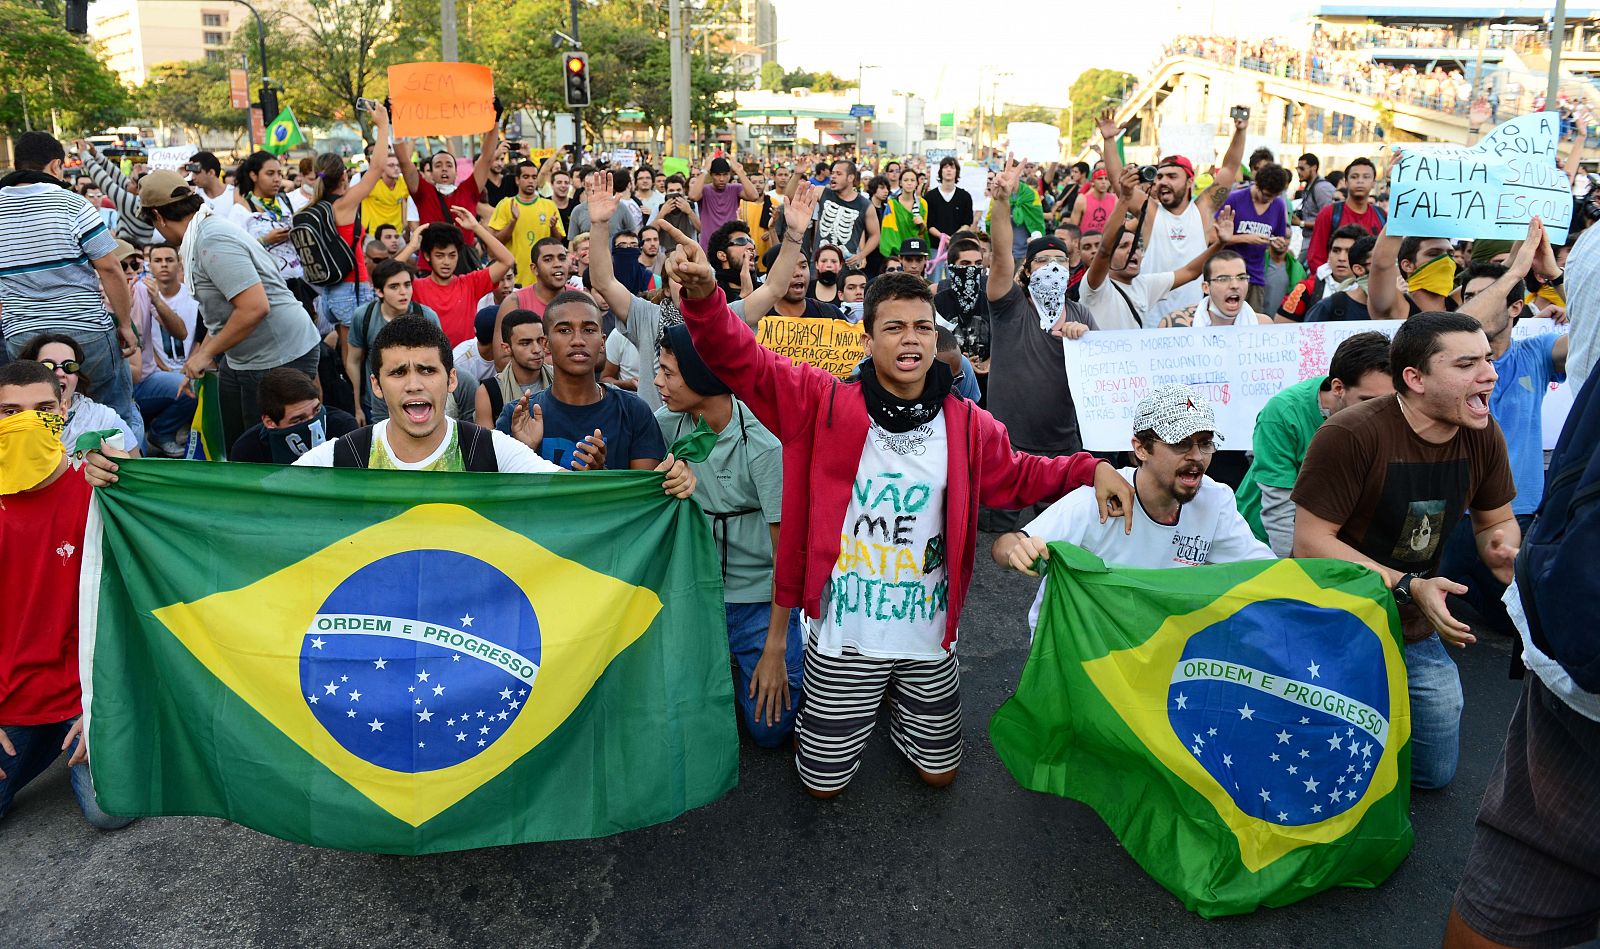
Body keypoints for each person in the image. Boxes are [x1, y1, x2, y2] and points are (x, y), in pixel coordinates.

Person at [668, 202, 1135, 798]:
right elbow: (742, 361)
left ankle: (903, 718)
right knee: (821, 787)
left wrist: (1089, 468)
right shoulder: (822, 404)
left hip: (928, 638)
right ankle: (860, 709)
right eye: (893, 328)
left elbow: (1017, 475)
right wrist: (707, 299)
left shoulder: (967, 423)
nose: (910, 340)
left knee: (939, 776)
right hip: (842, 637)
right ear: (867, 339)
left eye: (920, 327)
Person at [1292, 312, 1520, 790]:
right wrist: (1409, 585)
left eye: (1488, 359)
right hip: (1333, 624)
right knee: (1319, 767)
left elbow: (1495, 519)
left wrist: (1505, 551)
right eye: (1467, 364)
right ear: (1414, 379)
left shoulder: (1483, 433)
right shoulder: (1351, 434)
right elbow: (1310, 544)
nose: (1489, 374)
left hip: (1415, 627)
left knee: (1434, 775)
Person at [994, 383, 1274, 627]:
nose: (1197, 456)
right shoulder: (1097, 500)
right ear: (1140, 448)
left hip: (1153, 649)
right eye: (1181, 443)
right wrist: (1018, 549)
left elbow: (1265, 575)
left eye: (1205, 443)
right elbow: (1004, 546)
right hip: (1082, 650)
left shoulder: (1215, 500)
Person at [652, 323, 802, 747]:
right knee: (680, 724)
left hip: (759, 600)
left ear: (704, 375)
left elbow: (786, 558)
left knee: (769, 732)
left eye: (668, 372)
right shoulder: (667, 425)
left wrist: (774, 649)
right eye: (658, 370)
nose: (657, 382)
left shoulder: (764, 442)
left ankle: (795, 641)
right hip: (699, 595)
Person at [0, 361, 135, 832]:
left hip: (87, 694)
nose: (26, 421)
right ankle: (41, 747)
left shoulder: (99, 488)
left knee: (110, 811)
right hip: (12, 700)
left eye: (42, 409)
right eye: (8, 411)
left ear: (63, 410)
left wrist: (107, 703)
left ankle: (95, 740)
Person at [137, 170, 323, 449]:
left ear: (158, 216)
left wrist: (206, 354)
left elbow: (253, 307)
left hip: (279, 353)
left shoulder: (211, 239)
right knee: (238, 444)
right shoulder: (200, 235)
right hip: (245, 356)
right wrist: (200, 358)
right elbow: (225, 313)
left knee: (262, 452)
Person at [1439, 251, 1570, 630]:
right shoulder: (1442, 360)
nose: (1475, 308)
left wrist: (1555, 277)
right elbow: (1459, 327)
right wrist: (1513, 270)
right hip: (1450, 518)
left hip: (1520, 515)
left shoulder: (1537, 353)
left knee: (1519, 627)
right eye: (1469, 298)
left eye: (1491, 296)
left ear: (1516, 307)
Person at [1, 132, 141, 448]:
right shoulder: (71, 203)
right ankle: (117, 488)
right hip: (87, 334)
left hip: (23, 338)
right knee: (114, 419)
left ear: (16, 164)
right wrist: (124, 324)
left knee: (35, 422)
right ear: (55, 166)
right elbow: (109, 267)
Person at [984, 159, 1100, 533]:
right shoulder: (1009, 305)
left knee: (1058, 538)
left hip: (1062, 446)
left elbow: (1102, 375)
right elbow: (1001, 255)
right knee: (997, 541)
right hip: (1009, 446)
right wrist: (1002, 202)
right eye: (1043, 261)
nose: (1053, 267)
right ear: (1027, 271)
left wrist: (1084, 342)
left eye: (1060, 260)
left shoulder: (1080, 312)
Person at [1235, 332, 1395, 555]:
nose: (1380, 413)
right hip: (1266, 544)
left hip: (1331, 541)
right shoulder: (1283, 412)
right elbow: (1279, 507)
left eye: (1389, 402)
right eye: (1368, 402)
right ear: (1338, 388)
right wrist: (1293, 570)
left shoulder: (1391, 413)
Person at [496, 291, 666, 471]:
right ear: (546, 344)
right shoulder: (519, 417)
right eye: (564, 330)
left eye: (588, 330)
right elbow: (498, 492)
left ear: (602, 342)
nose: (578, 340)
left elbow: (645, 493)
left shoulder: (633, 412)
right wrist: (525, 452)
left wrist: (600, 478)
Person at [1078, 169, 1249, 331]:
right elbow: (1104, 249)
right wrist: (1125, 199)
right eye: (1123, 246)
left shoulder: (1144, 286)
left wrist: (1220, 243)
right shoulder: (1096, 286)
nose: (1133, 252)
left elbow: (1190, 271)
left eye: (1136, 247)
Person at [1140, 112, 1247, 321]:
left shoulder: (1202, 210)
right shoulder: (1150, 211)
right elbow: (1118, 185)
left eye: (1172, 176)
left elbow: (1229, 168)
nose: (1163, 182)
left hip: (1192, 318)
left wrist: (1240, 130)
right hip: (1150, 318)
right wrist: (1109, 140)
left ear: (1190, 181)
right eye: (1160, 176)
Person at [305, 104, 394, 335]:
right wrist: (382, 125)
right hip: (352, 287)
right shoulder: (343, 205)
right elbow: (377, 168)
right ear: (344, 175)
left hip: (330, 292)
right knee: (361, 353)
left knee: (348, 351)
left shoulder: (315, 206)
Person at [119, 241, 196, 457]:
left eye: (134, 265)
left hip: (146, 380)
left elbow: (181, 333)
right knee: (137, 452)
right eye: (122, 266)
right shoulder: (97, 297)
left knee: (188, 390)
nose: (129, 272)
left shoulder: (144, 291)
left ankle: (161, 433)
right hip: (114, 389)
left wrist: (158, 301)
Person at [345, 258, 441, 427]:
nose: (403, 292)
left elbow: (440, 362)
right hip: (375, 404)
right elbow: (353, 361)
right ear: (379, 291)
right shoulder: (363, 316)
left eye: (407, 284)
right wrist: (357, 407)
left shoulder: (427, 317)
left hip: (418, 401)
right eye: (394, 287)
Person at [410, 208, 516, 347]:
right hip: (430, 362)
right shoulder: (415, 287)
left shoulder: (470, 283)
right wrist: (412, 246)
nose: (446, 262)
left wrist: (476, 227)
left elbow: (507, 260)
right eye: (439, 256)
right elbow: (385, 277)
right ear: (427, 256)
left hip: (465, 362)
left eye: (452, 255)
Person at [17, 333, 139, 453]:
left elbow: (137, 468)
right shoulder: (10, 418)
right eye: (48, 365)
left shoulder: (104, 418)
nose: (60, 373)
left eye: (69, 366)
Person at [396, 117, 501, 247]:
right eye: (438, 165)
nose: (444, 168)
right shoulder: (423, 193)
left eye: (449, 165)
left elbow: (486, 158)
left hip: (464, 264)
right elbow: (404, 161)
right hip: (430, 265)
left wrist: (495, 121)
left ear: (456, 172)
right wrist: (392, 123)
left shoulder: (468, 191)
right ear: (431, 173)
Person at [228, 366, 360, 464]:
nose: (312, 422)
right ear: (270, 422)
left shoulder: (344, 429)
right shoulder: (248, 449)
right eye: (299, 420)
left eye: (317, 410)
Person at [1218, 163, 1292, 311]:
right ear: (1256, 184)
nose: (1268, 200)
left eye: (1272, 196)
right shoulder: (1234, 199)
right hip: (1226, 273)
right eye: (1265, 194)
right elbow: (1213, 237)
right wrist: (1245, 238)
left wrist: (1278, 244)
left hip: (1255, 276)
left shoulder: (1278, 205)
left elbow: (1280, 238)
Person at [489, 160, 566, 289]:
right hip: (516, 280)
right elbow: (496, 242)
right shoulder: (506, 205)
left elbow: (558, 241)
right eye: (526, 177)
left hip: (544, 280)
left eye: (534, 177)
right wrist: (512, 222)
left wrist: (553, 227)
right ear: (517, 180)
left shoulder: (549, 205)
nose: (530, 181)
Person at [1306, 157, 1385, 273]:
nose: (1360, 181)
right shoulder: (1329, 214)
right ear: (1346, 182)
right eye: (1354, 177)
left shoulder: (1382, 216)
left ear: (1373, 182)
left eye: (1366, 177)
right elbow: (1316, 257)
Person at [1277, 224, 1368, 322]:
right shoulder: (1307, 288)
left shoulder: (1376, 291)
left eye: (1349, 251)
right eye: (1336, 250)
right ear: (1328, 254)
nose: (1341, 258)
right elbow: (1281, 326)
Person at [1157, 251, 1272, 327]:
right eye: (1223, 279)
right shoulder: (1175, 325)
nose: (1235, 285)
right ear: (1206, 287)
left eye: (1241, 277)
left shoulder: (1262, 326)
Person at [811, 159, 879, 269]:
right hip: (818, 265)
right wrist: (797, 174)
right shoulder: (821, 192)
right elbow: (790, 196)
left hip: (846, 267)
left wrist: (861, 255)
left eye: (838, 174)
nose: (833, 176)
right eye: (832, 173)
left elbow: (875, 235)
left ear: (850, 178)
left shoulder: (865, 205)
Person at [1304, 236, 1380, 323]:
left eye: (1393, 262)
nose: (1342, 258)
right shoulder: (1328, 307)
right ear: (1359, 269)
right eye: (1381, 263)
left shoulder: (1395, 307)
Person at [689, 156, 758, 251]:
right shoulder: (704, 190)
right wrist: (704, 170)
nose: (721, 179)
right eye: (717, 175)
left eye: (725, 175)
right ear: (711, 175)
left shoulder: (735, 189)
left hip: (730, 246)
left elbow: (754, 196)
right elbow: (693, 196)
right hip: (708, 246)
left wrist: (739, 171)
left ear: (729, 175)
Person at [568, 168, 643, 245]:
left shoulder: (620, 206)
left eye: (597, 185)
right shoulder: (577, 211)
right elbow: (572, 242)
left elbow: (634, 234)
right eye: (589, 185)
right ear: (583, 185)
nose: (593, 188)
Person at [1293, 153, 1339, 263]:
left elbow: (1330, 220)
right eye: (1297, 168)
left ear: (1313, 168)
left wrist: (1301, 223)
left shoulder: (1321, 188)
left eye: (1302, 168)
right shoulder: (1309, 186)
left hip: (1318, 244)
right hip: (1309, 242)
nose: (1299, 172)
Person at [359, 154, 417, 237]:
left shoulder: (404, 183)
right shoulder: (371, 183)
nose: (396, 168)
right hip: (373, 234)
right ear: (382, 169)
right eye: (391, 165)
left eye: (398, 165)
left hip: (397, 234)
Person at [924, 156, 973, 252]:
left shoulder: (965, 196)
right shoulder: (930, 196)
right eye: (945, 167)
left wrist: (954, 238)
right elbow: (928, 224)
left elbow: (967, 222)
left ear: (957, 172)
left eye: (952, 167)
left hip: (957, 247)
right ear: (940, 171)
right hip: (935, 247)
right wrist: (942, 237)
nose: (949, 170)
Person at [880, 167, 928, 262]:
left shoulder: (923, 204)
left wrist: (922, 224)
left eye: (912, 180)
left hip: (916, 254)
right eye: (906, 180)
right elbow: (889, 231)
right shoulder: (892, 204)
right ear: (900, 183)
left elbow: (923, 233)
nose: (909, 183)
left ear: (917, 183)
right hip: (897, 255)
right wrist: (899, 253)